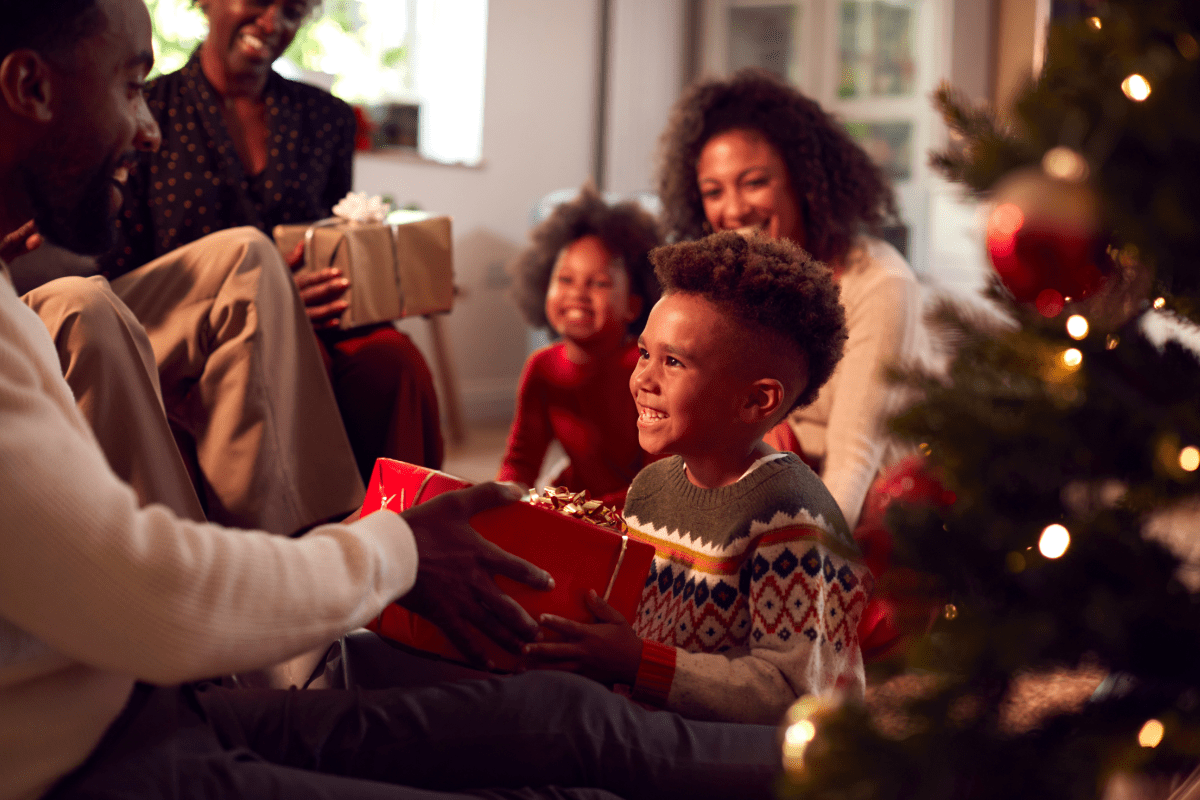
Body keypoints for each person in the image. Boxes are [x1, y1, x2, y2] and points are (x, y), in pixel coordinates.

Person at [0, 3, 781, 798]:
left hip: (164, 706)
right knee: (571, 772)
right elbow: (150, 592)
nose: (149, 127)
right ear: (28, 86)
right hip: (110, 759)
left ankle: (851, 752)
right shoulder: (42, 315)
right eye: (131, 86)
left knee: (572, 716)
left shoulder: (311, 123)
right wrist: (392, 552)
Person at [523, 232, 872, 725]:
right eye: (645, 353)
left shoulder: (792, 517)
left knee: (575, 738)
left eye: (673, 362)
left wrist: (637, 662)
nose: (643, 379)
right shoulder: (652, 487)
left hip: (766, 755)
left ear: (756, 401)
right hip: (663, 718)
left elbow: (795, 694)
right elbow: (638, 625)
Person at [100, 0, 443, 482]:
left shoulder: (326, 119)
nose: (272, 23)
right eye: (260, 1)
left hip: (320, 321)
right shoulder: (148, 112)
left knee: (395, 362)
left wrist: (379, 281)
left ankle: (410, 525)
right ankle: (322, 541)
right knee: (300, 366)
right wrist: (270, 302)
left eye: (292, 10)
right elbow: (122, 269)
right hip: (195, 326)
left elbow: (336, 235)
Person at [655, 67, 930, 534]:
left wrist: (808, 564)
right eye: (713, 191)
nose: (734, 209)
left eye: (754, 182)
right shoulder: (735, 286)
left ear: (801, 181)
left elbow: (853, 468)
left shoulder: (880, 283)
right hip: (775, 478)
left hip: (875, 505)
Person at [499, 185, 662, 506]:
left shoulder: (645, 370)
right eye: (565, 279)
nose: (578, 293)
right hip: (576, 502)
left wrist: (581, 512)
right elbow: (521, 461)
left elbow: (658, 481)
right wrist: (501, 498)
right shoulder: (542, 367)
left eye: (598, 282)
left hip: (636, 513)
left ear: (633, 304)